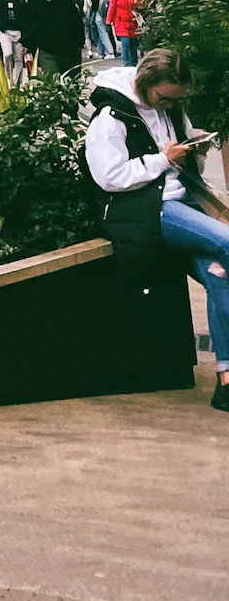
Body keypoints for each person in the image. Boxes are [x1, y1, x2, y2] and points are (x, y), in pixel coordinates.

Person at [86, 45, 229, 414]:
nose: (170, 104)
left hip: (179, 204)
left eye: (176, 99)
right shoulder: (110, 116)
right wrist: (162, 159)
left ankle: (226, 379)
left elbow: (179, 158)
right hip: (146, 210)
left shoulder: (170, 106)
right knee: (227, 242)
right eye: (165, 98)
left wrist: (193, 146)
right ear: (146, 83)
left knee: (220, 274)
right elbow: (110, 176)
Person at [19, 0, 85, 82]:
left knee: (71, 82)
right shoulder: (34, 2)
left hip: (68, 48)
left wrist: (79, 42)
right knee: (52, 82)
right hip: (46, 49)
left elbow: (76, 22)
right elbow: (27, 24)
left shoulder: (65, 1)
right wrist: (26, 44)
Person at [106, 0, 142, 68]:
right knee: (125, 43)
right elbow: (111, 9)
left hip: (132, 22)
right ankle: (126, 63)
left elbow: (135, 7)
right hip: (120, 23)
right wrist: (108, 21)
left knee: (133, 43)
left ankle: (134, 63)